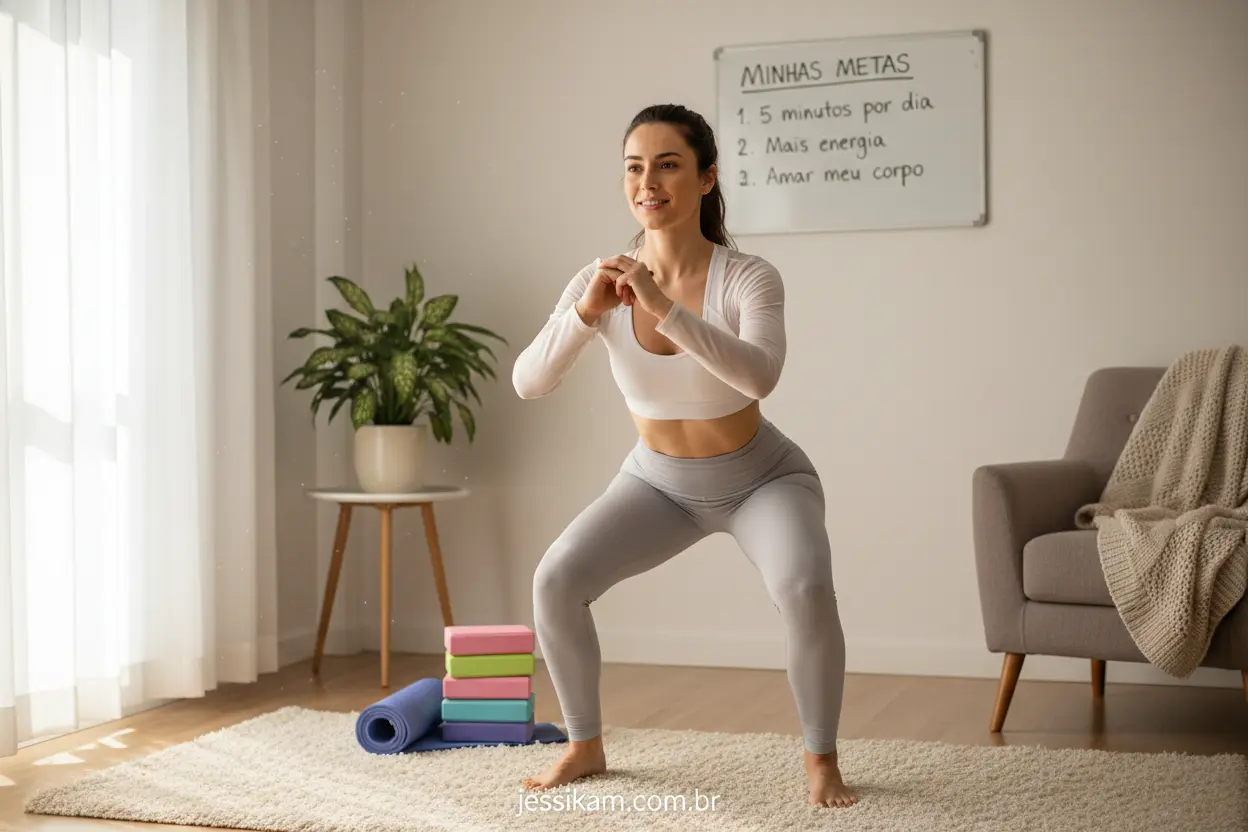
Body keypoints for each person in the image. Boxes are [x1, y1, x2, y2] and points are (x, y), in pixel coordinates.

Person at [510, 103, 856, 809]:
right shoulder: (598, 280)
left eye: (668, 164)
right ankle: (585, 745)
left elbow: (759, 376)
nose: (649, 182)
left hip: (762, 478)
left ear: (706, 178)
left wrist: (663, 306)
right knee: (555, 579)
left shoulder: (748, 277)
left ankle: (821, 759)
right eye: (635, 167)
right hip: (657, 484)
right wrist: (586, 314)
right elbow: (529, 383)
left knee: (804, 590)